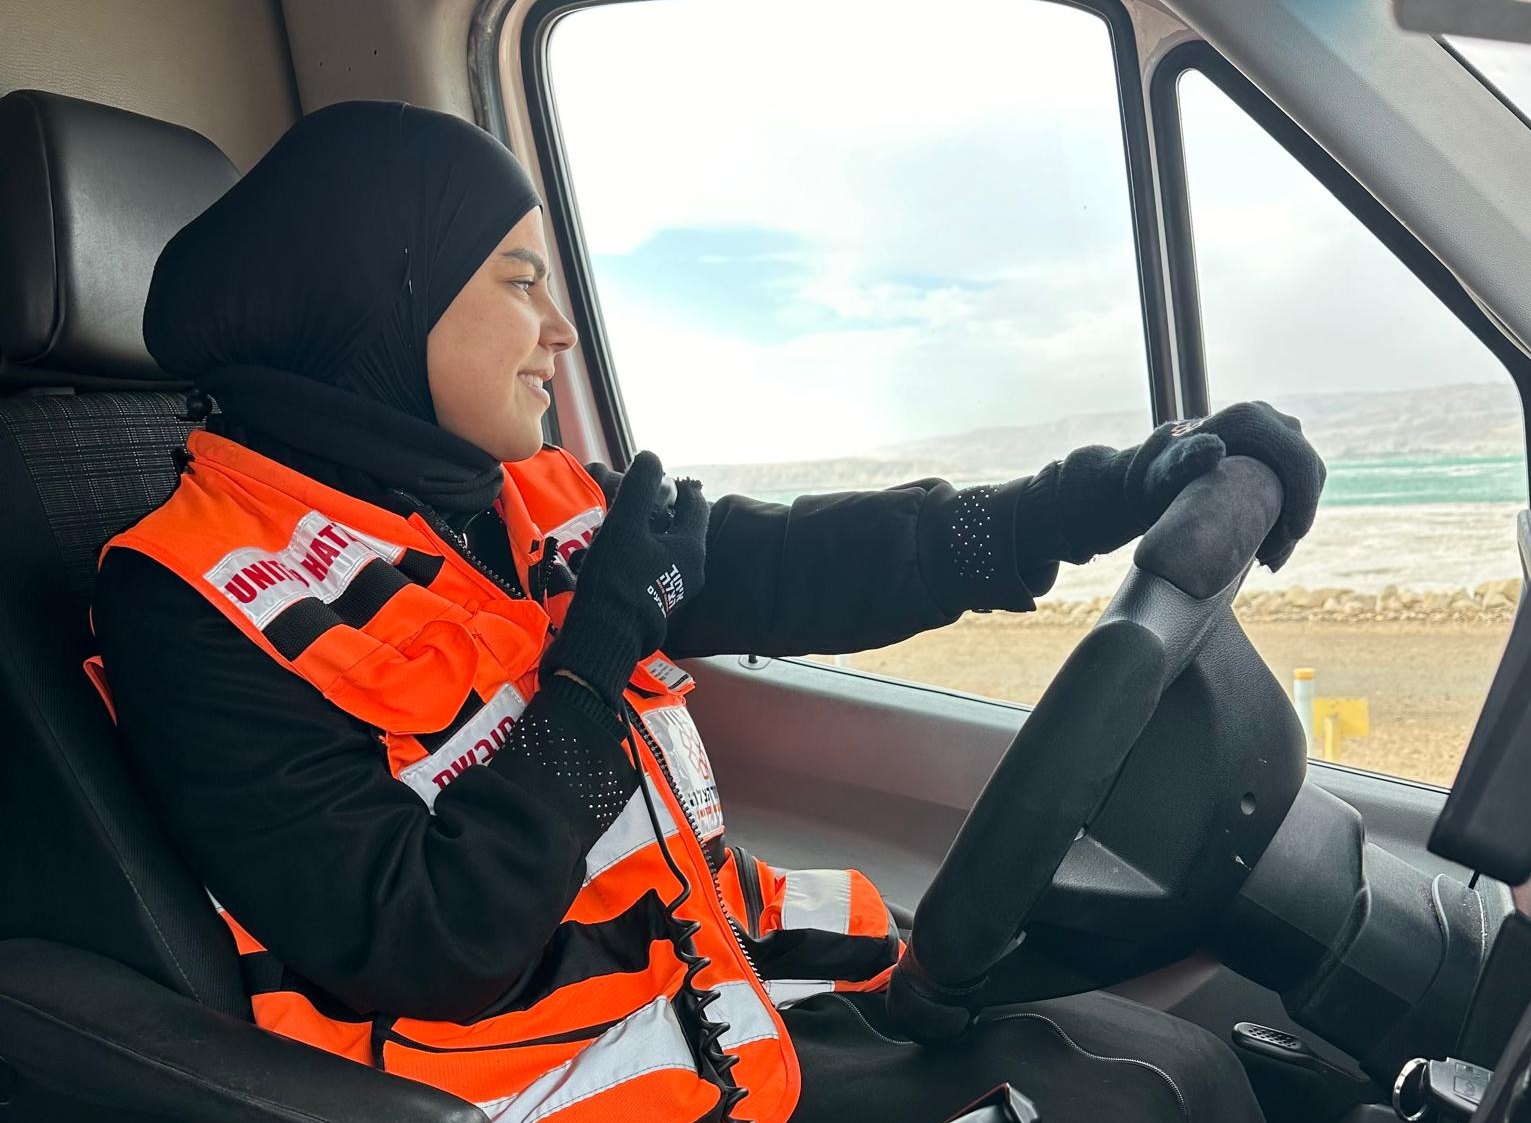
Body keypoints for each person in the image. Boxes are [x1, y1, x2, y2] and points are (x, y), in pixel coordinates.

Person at [92, 101, 1322, 1123]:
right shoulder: (186, 597)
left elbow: (798, 563)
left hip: (725, 1002)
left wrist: (1111, 489)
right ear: (384, 299)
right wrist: (590, 669)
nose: (559, 332)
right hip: (557, 1097)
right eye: (520, 282)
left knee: (1170, 1063)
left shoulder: (517, 494)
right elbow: (428, 944)